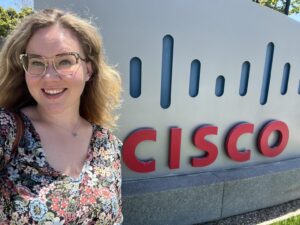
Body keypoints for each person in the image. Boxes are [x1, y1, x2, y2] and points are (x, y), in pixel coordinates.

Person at [0, 8, 123, 224]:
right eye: (36, 62)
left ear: (88, 69)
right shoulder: (6, 131)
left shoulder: (107, 145)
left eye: (65, 61)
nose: (49, 77)